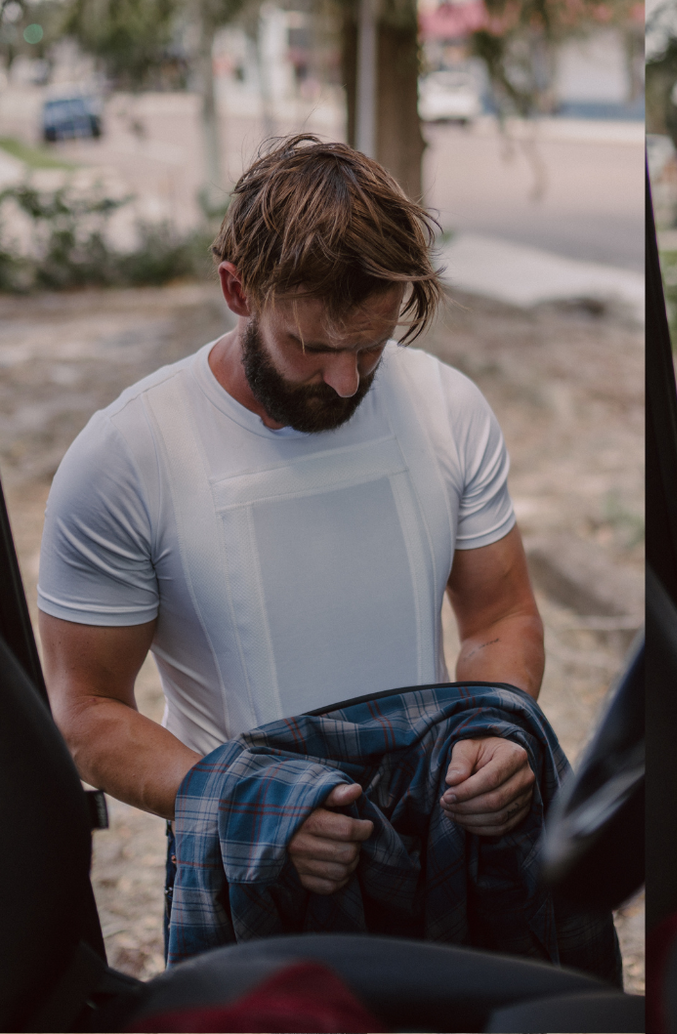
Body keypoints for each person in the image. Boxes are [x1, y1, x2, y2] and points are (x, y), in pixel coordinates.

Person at [41, 135, 545, 902]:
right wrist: (257, 812)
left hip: (433, 842)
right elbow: (86, 710)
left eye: (371, 348)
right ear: (238, 290)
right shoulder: (128, 454)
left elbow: (500, 615)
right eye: (312, 348)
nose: (345, 383)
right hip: (246, 861)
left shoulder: (448, 408)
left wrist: (494, 727)